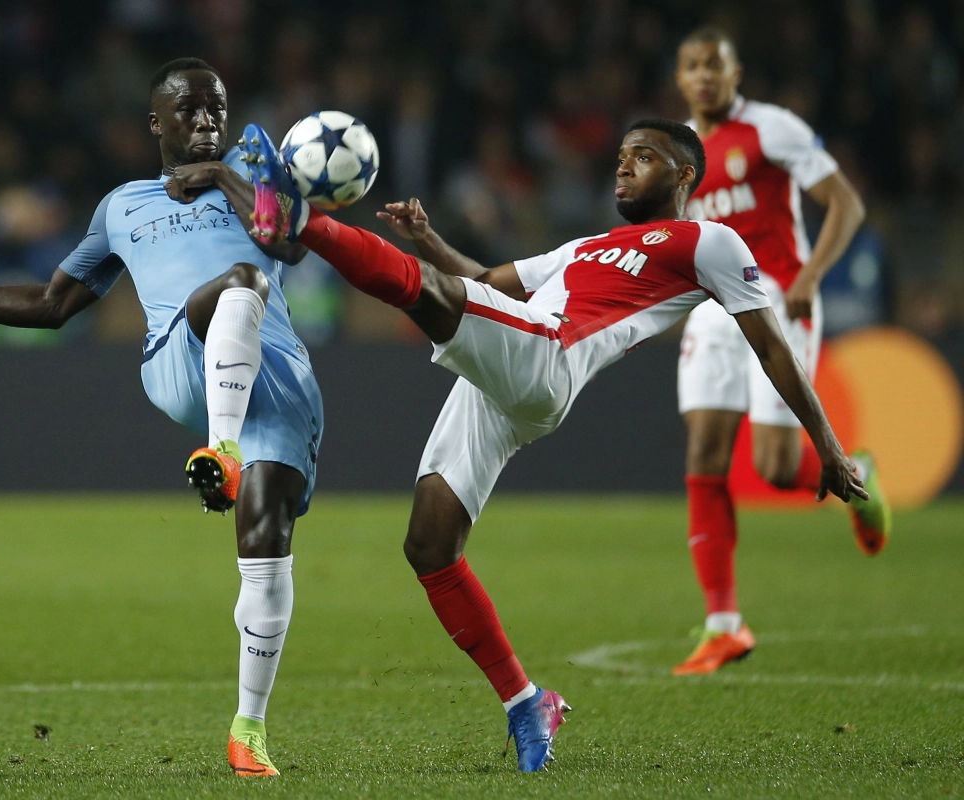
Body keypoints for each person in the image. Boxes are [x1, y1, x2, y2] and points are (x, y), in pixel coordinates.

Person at [240, 118, 867, 772]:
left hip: (550, 355)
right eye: (622, 156)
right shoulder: (587, 246)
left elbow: (769, 341)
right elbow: (486, 279)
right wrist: (429, 238)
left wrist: (824, 442)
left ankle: (294, 219)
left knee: (427, 293)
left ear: (684, 175)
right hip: (513, 356)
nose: (624, 167)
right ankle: (526, 700)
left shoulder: (708, 240)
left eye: (645, 157)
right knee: (429, 546)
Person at [0, 58, 322, 778]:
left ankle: (248, 733)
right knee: (238, 285)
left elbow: (294, 243)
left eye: (217, 108)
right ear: (157, 122)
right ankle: (225, 451)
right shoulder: (122, 206)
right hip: (181, 362)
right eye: (190, 110)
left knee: (266, 550)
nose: (208, 120)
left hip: (282, 383)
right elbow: (54, 305)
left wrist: (225, 179)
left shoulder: (253, 170)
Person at [671, 27, 891, 676]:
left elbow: (845, 204)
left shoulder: (772, 129)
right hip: (711, 314)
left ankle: (858, 477)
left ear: (736, 73)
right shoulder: (678, 150)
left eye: (716, 64)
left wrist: (811, 278)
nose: (705, 76)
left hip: (777, 301)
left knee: (771, 465)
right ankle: (723, 625)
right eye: (692, 66)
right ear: (679, 80)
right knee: (704, 456)